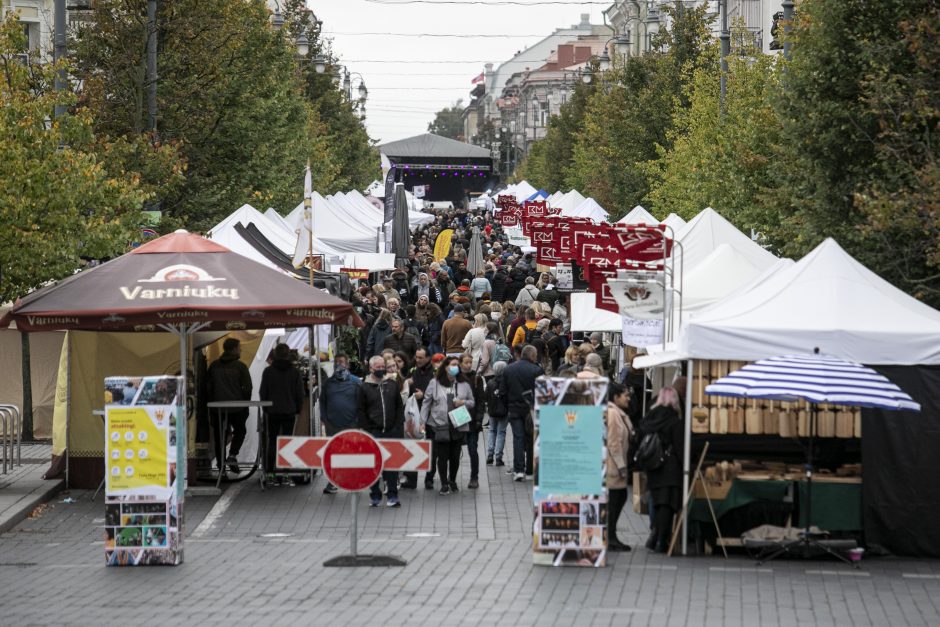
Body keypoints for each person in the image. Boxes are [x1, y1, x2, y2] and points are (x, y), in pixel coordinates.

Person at [419, 356, 475, 495]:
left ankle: (452, 480)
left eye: (457, 365)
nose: (455, 367)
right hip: (439, 424)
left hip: (457, 424)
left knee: (455, 456)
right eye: (452, 365)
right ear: (445, 367)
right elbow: (426, 402)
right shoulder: (435, 383)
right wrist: (422, 422)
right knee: (442, 455)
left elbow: (472, 402)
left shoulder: (464, 384)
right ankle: (444, 483)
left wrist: (463, 403)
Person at [638, 387, 684, 552]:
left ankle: (654, 535)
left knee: (657, 502)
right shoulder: (674, 421)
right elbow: (680, 448)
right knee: (667, 504)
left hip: (653, 465)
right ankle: (661, 541)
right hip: (670, 468)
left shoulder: (650, 417)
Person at [358, 355, 405, 507]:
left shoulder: (391, 384)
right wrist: (366, 430)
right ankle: (375, 495)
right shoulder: (364, 387)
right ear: (371, 368)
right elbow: (361, 411)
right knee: (373, 466)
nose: (380, 369)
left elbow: (399, 407)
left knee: (391, 466)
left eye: (382, 367)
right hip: (373, 431)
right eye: (377, 367)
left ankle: (392, 495)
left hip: (391, 431)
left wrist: (398, 426)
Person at [259, 343, 305, 485]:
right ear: (288, 355)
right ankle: (285, 474)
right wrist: (297, 408)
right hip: (289, 411)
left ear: (275, 355)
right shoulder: (294, 372)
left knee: (272, 442)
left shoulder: (268, 371)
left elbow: (263, 392)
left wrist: (266, 408)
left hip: (272, 411)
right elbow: (300, 393)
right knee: (287, 442)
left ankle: (271, 474)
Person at [206, 338, 252, 475]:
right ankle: (232, 455)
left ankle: (221, 467)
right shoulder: (240, 367)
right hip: (237, 407)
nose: (241, 350)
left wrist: (211, 403)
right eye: (239, 348)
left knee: (219, 436)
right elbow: (248, 388)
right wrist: (245, 404)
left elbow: (208, 387)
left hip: (217, 408)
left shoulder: (214, 366)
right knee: (241, 430)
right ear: (233, 349)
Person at [319, 353, 361, 494]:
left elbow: (362, 404)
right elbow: (322, 403)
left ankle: (354, 481)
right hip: (333, 426)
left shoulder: (356, 382)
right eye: (336, 362)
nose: (339, 365)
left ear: (347, 364)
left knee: (352, 453)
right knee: (333, 455)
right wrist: (325, 420)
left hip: (351, 425)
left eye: (341, 362)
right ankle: (333, 482)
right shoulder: (328, 383)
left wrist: (357, 422)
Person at [503, 345, 543, 481]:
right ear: (531, 355)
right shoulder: (537, 370)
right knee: (531, 438)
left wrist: (506, 406)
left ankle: (518, 470)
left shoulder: (509, 369)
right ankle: (530, 470)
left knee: (518, 438)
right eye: (536, 354)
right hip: (530, 410)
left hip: (514, 408)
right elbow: (542, 392)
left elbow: (503, 390)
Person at [605, 382, 634, 551]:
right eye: (626, 395)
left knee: (618, 499)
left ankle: (611, 535)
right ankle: (610, 537)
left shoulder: (616, 412)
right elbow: (614, 442)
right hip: (613, 466)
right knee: (616, 500)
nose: (629, 398)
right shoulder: (613, 414)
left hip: (615, 464)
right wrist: (622, 466)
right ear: (616, 397)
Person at [403, 347, 435, 490]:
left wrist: (425, 396)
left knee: (432, 448)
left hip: (431, 415)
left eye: (421, 358)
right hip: (415, 413)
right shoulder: (413, 370)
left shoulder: (434, 373)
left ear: (428, 358)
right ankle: (411, 479)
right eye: (416, 357)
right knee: (413, 446)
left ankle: (429, 478)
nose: (417, 360)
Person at [459, 352, 486, 489]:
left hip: (472, 419)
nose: (469, 365)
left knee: (472, 450)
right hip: (458, 420)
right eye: (466, 362)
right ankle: (451, 478)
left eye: (470, 362)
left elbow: (481, 401)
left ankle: (474, 477)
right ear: (460, 363)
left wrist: (479, 419)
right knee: (454, 451)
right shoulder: (455, 379)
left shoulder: (476, 379)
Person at [485, 360, 509, 466]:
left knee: (492, 430)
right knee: (501, 432)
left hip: (492, 411)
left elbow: (486, 397)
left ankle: (490, 454)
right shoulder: (507, 383)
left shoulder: (490, 382)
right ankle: (498, 456)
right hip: (504, 410)